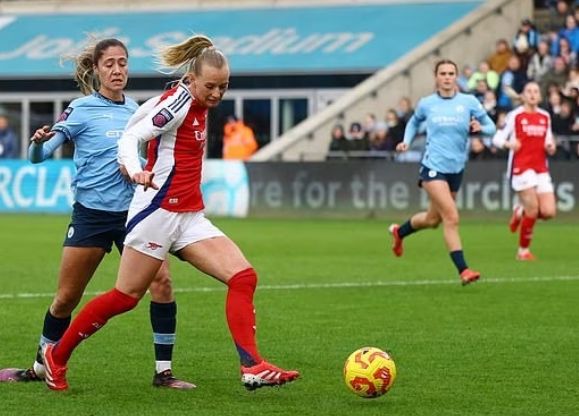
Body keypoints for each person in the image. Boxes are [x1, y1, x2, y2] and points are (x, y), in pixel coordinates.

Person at [40, 34, 299, 392]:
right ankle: (57, 357)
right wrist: (133, 169)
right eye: (211, 86)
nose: (217, 94)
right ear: (192, 80)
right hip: (157, 213)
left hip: (190, 215)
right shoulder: (176, 104)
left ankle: (252, 366)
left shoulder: (186, 97)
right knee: (125, 297)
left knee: (243, 277)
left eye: (224, 87)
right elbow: (130, 138)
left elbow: (140, 115)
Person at [0, 38, 194, 390]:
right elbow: (39, 157)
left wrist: (138, 170)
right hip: (91, 215)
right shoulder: (81, 109)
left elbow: (147, 156)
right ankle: (39, 366)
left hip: (134, 216)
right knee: (67, 297)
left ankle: (163, 372)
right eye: (110, 64)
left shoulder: (138, 110)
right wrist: (37, 142)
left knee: (162, 282)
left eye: (123, 62)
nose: (117, 69)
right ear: (96, 70)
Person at [388, 59, 496, 285]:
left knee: (432, 219)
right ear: (436, 77)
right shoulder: (427, 103)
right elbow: (413, 123)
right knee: (451, 217)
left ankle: (400, 233)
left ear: (456, 77)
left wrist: (481, 128)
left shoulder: (469, 102)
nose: (447, 77)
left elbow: (492, 127)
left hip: (456, 168)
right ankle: (464, 270)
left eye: (451, 73)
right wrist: (406, 141)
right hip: (432, 167)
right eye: (443, 73)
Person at [492, 81, 557, 260]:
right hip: (521, 168)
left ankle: (520, 210)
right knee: (534, 210)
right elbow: (497, 138)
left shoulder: (545, 116)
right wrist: (508, 144)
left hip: (541, 169)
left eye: (536, 91)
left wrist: (551, 146)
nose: (533, 94)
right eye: (529, 91)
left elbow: (548, 140)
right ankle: (523, 251)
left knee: (549, 212)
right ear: (523, 95)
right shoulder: (515, 116)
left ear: (540, 96)